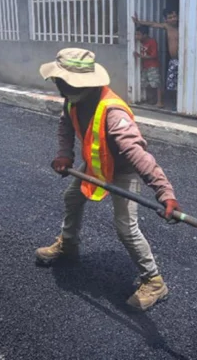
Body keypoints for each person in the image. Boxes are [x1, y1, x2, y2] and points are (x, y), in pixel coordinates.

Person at [36, 47, 181, 311]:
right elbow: (66, 126)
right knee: (72, 197)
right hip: (95, 164)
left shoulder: (113, 112)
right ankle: (68, 245)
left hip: (123, 170)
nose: (55, 83)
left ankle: (155, 282)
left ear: (74, 81)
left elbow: (137, 153)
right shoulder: (73, 98)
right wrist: (64, 155)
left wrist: (164, 191)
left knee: (126, 227)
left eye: (59, 80)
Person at [132, 8, 179, 102]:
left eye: (174, 16)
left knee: (181, 82)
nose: (173, 19)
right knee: (172, 83)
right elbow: (153, 24)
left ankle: (181, 104)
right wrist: (138, 22)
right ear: (166, 20)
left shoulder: (182, 27)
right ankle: (174, 102)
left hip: (183, 59)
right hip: (173, 60)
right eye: (170, 17)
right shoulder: (167, 27)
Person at [133, 25, 164, 108]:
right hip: (145, 66)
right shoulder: (141, 42)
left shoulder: (152, 42)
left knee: (156, 84)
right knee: (147, 84)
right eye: (136, 34)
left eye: (138, 34)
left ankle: (159, 102)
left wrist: (140, 56)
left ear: (145, 35)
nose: (136, 36)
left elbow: (154, 55)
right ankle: (151, 99)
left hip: (153, 66)